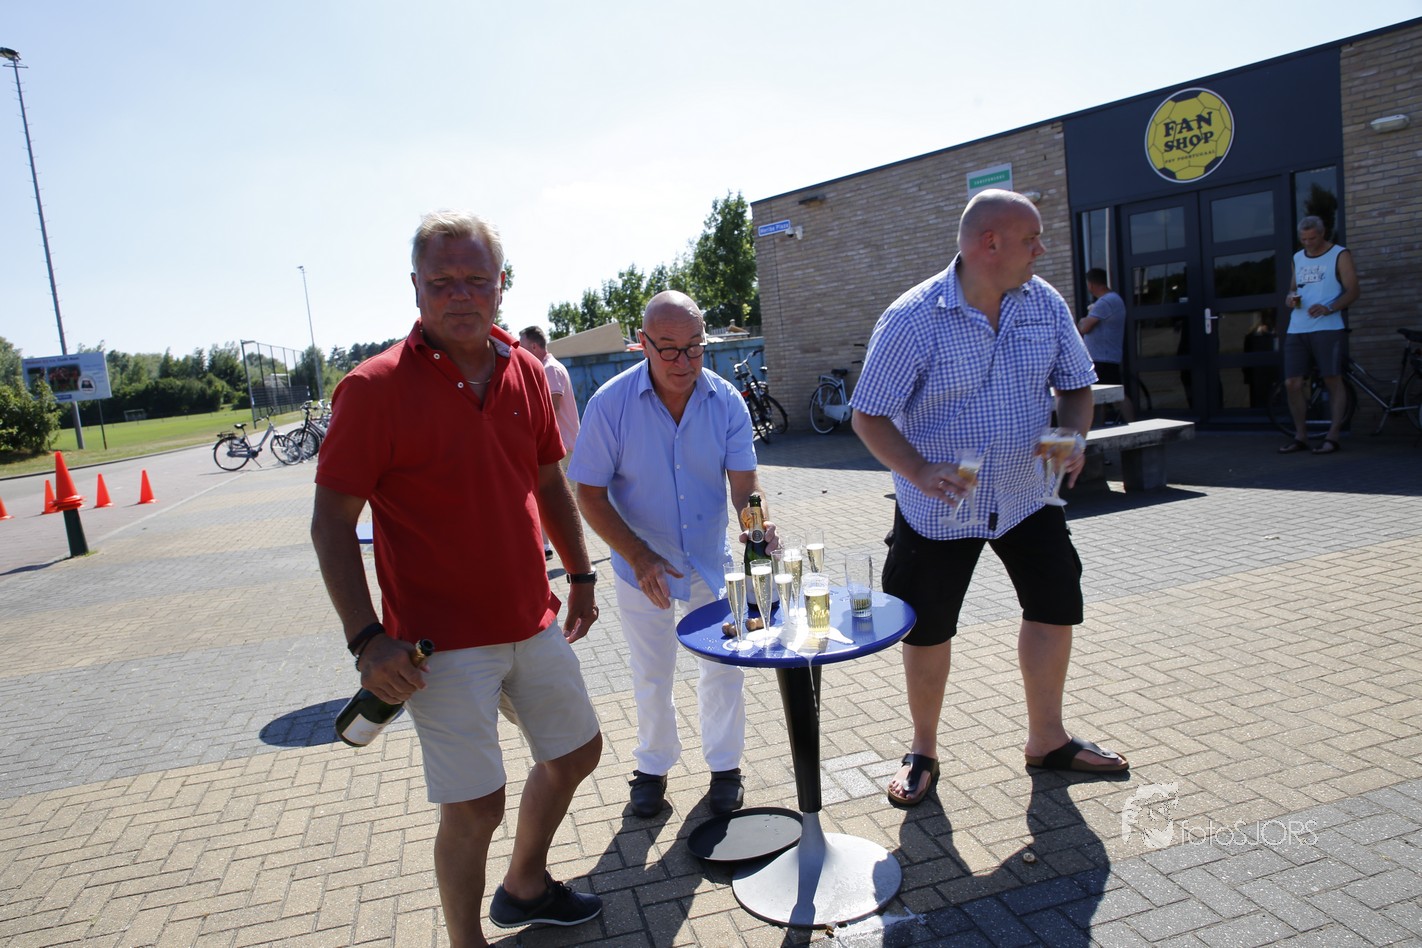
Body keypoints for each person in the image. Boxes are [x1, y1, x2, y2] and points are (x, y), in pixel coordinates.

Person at [310, 211, 604, 946]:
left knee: (576, 753)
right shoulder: (373, 388)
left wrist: (580, 574)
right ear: (415, 286)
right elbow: (330, 524)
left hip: (530, 617)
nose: (461, 294)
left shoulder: (525, 370)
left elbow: (547, 478)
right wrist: (366, 639)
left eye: (476, 279)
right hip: (435, 646)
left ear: (501, 285)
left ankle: (525, 885)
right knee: (475, 807)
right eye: (442, 281)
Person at [851, 189, 1129, 810]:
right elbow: (868, 414)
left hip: (1029, 495)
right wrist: (918, 469)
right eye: (1032, 239)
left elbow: (1076, 386)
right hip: (942, 506)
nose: (1042, 250)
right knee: (927, 628)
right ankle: (923, 749)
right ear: (990, 244)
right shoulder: (912, 318)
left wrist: (1072, 436)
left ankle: (1047, 740)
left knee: (1055, 604)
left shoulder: (1044, 302)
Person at [570, 290, 763, 818]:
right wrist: (638, 555)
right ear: (643, 343)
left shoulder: (726, 400)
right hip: (640, 568)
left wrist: (757, 527)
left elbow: (745, 486)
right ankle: (653, 768)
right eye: (669, 349)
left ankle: (725, 768)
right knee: (652, 672)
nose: (684, 361)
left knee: (723, 667)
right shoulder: (610, 404)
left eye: (695, 347)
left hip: (709, 562)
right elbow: (589, 493)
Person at [1279, 215, 1360, 455]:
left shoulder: (1339, 254)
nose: (1308, 243)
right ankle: (1301, 436)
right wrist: (1290, 298)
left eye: (1312, 238)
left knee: (1332, 379)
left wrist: (1330, 307)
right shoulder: (1297, 257)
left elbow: (1353, 291)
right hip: (1297, 327)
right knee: (1292, 383)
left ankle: (1333, 436)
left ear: (1322, 233)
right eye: (1303, 239)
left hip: (1328, 328)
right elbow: (1293, 288)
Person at [519, 325, 582, 559]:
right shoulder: (548, 367)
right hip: (561, 445)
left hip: (563, 446)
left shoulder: (550, 369)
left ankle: (576, 552)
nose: (520, 352)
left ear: (534, 346)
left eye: (523, 346)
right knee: (547, 498)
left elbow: (551, 408)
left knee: (574, 500)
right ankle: (545, 547)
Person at [1077, 267, 1135, 422]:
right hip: (1105, 356)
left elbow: (1083, 328)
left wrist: (1082, 320)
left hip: (1103, 358)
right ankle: (1100, 427)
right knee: (1101, 396)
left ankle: (1133, 426)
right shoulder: (1112, 300)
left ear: (1091, 284)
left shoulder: (1105, 302)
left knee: (1116, 395)